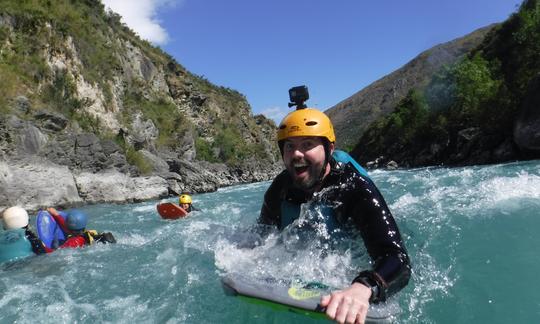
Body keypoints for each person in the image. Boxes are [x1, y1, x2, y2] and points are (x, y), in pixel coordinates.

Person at [259, 107, 411, 323]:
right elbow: (262, 235)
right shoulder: (279, 190)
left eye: (307, 144)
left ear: (329, 148)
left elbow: (397, 258)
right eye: (289, 146)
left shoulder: (355, 187)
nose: (296, 154)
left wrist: (365, 286)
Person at [46, 207, 116, 249]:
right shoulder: (86, 233)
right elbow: (66, 226)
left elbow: (56, 252)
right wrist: (56, 214)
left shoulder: (73, 242)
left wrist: (43, 248)